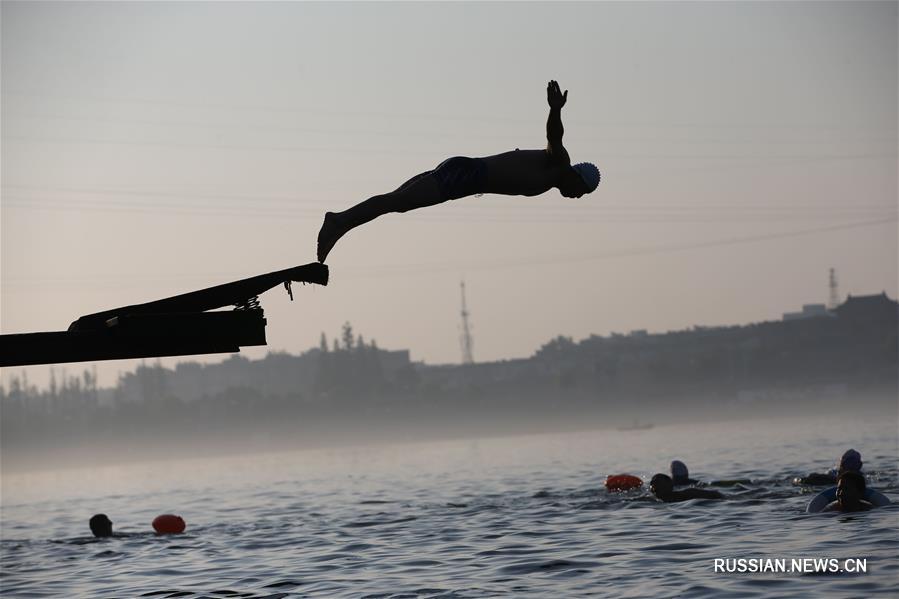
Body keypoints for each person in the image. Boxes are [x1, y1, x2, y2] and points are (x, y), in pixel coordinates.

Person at [316, 80, 601, 263]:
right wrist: (555, 110)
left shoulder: (552, 178)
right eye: (581, 192)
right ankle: (338, 221)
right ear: (577, 178)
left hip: (464, 174)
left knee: (396, 202)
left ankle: (341, 225)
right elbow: (554, 136)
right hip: (465, 175)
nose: (576, 197)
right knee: (397, 203)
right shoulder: (559, 163)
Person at [796, 448, 863, 486]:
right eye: (848, 463)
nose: (851, 466)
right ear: (841, 464)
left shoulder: (861, 479)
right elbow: (808, 478)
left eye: (853, 463)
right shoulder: (832, 475)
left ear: (859, 465)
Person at [650, 474, 724, 503]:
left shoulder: (686, 493)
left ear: (669, 485)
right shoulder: (651, 499)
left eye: (657, 481)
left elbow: (716, 494)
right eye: (652, 482)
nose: (653, 483)